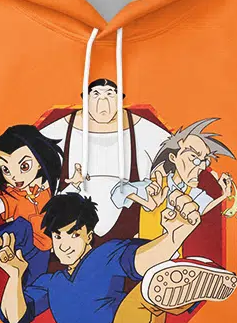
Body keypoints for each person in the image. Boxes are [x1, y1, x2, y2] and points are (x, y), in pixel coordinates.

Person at [0, 191, 237, 323]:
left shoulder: (106, 254)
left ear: (89, 236)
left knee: (145, 293)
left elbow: (139, 260)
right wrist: (15, 275)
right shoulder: (49, 283)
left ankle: (177, 286)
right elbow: (14, 318)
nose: (65, 244)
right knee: (149, 291)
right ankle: (181, 285)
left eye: (74, 234)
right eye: (58, 236)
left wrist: (174, 236)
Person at [40, 79, 169, 237]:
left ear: (120, 99)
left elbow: (172, 155)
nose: (103, 103)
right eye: (96, 94)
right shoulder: (59, 128)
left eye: (110, 95)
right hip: (70, 233)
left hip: (128, 234)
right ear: (86, 99)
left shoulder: (143, 128)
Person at [111, 118, 237, 240]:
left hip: (173, 254)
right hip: (146, 251)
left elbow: (204, 208)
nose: (202, 166)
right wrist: (145, 202)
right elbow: (117, 193)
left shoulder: (192, 192)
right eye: (194, 158)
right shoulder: (157, 186)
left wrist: (224, 195)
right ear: (173, 158)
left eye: (205, 161)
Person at [0, 124, 63, 284]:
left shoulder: (48, 189)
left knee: (32, 283)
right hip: (17, 243)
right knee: (22, 226)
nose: (15, 177)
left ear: (39, 161)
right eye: (6, 170)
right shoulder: (14, 196)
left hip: (43, 248)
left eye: (24, 166)